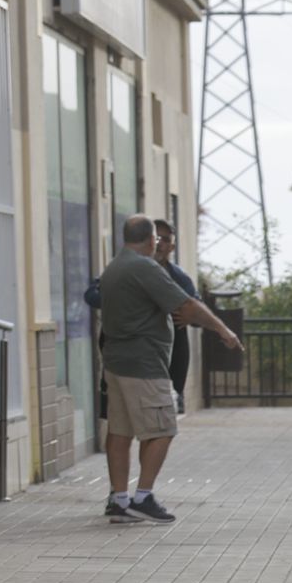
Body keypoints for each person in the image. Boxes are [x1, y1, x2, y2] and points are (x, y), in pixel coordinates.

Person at [98, 213, 241, 523]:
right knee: (163, 429)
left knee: (120, 432)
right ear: (152, 240)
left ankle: (119, 501)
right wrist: (224, 330)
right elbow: (186, 305)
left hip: (116, 363)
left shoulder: (113, 267)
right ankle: (143, 498)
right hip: (144, 365)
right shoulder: (143, 267)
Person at [154, 220, 195, 412]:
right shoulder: (127, 270)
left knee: (167, 414)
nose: (159, 243)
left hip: (174, 351)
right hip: (141, 357)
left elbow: (196, 306)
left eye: (165, 239)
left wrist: (190, 317)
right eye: (156, 238)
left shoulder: (179, 277)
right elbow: (94, 295)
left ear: (172, 246)